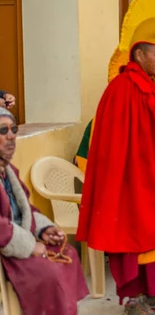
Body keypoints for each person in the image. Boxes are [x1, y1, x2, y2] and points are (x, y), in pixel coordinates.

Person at [77, 0, 155, 315]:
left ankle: (153, 293)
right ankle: (133, 300)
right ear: (138, 55)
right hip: (135, 183)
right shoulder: (122, 89)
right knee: (135, 240)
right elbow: (117, 146)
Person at [0, 107, 89, 315]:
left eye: (13, 129)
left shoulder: (8, 169)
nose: (11, 136)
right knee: (49, 273)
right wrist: (30, 245)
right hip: (8, 246)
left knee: (67, 254)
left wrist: (44, 229)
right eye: (3, 131)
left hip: (21, 236)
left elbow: (26, 208)